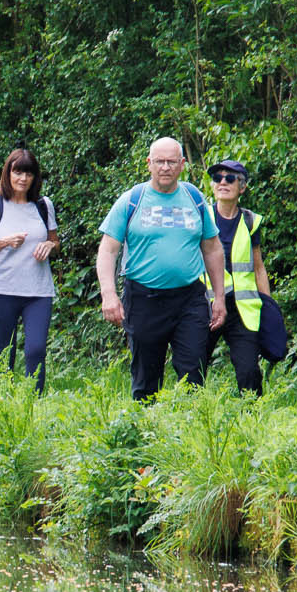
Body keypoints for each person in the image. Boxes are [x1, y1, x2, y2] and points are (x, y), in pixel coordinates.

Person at [95, 138, 227, 400]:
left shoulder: (194, 198)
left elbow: (212, 249)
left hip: (189, 299)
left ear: (182, 165)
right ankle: (145, 432)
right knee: (146, 376)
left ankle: (190, 431)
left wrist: (219, 298)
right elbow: (108, 250)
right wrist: (108, 294)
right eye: (159, 161)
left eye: (171, 162)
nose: (165, 167)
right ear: (149, 164)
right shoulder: (131, 200)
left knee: (193, 372)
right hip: (144, 298)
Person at [0, 149, 59, 389]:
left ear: (35, 177)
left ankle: (34, 402)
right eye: (18, 172)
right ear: (8, 173)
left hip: (38, 291)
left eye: (28, 173)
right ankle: (5, 403)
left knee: (36, 349)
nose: (23, 178)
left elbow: (56, 242)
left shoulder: (43, 205)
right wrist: (4, 242)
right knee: (4, 354)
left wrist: (49, 245)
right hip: (2, 289)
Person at [206, 159, 276, 394]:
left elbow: (258, 267)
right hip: (206, 305)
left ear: (242, 186)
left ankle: (253, 420)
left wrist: (268, 307)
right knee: (192, 366)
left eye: (230, 178)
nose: (222, 182)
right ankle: (190, 416)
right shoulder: (201, 216)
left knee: (249, 371)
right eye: (217, 178)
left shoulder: (250, 221)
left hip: (242, 309)